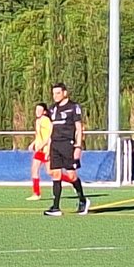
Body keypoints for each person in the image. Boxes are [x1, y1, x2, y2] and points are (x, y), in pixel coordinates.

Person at [44, 83, 90, 217]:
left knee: (71, 176)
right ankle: (55, 207)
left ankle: (83, 200)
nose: (55, 96)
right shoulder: (52, 109)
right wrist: (48, 147)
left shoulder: (73, 107)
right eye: (53, 93)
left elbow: (79, 128)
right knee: (55, 174)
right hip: (55, 145)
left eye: (58, 93)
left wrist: (78, 146)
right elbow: (51, 129)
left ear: (65, 93)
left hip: (68, 144)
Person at [27, 102, 52, 201]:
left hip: (46, 150)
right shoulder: (38, 121)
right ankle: (36, 194)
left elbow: (49, 136)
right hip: (39, 150)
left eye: (39, 110)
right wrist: (33, 143)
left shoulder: (46, 120)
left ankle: (72, 181)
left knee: (51, 172)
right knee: (34, 170)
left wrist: (43, 146)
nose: (37, 111)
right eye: (36, 109)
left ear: (44, 112)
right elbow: (38, 136)